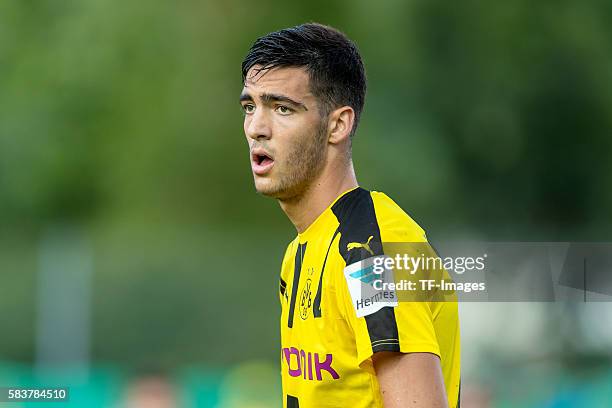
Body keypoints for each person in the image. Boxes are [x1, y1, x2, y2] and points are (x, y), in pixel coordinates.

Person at [239, 23, 460, 408]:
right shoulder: (300, 252)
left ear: (337, 124)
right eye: (250, 106)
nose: (257, 127)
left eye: (283, 108)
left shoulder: (373, 249)